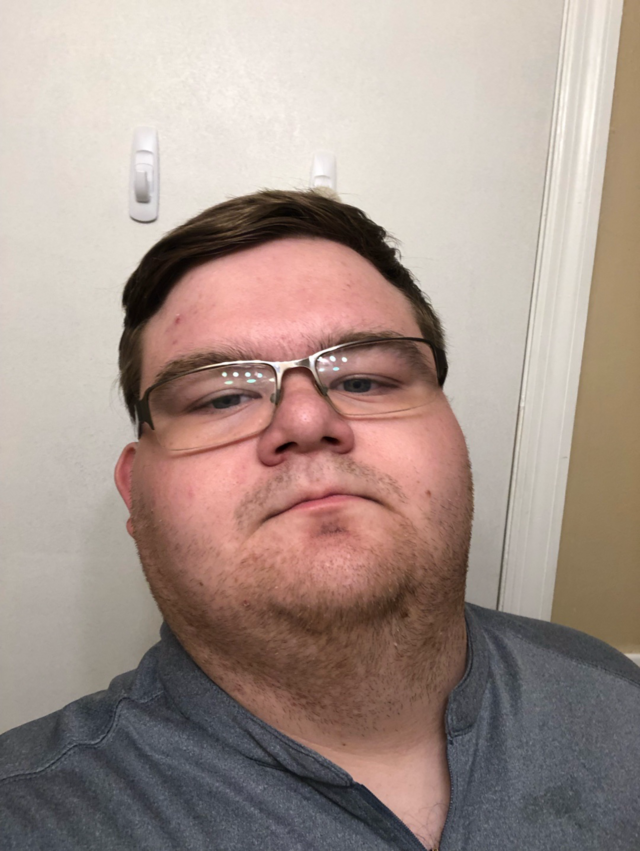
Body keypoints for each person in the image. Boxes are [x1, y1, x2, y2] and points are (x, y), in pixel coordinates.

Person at [1, 190, 638, 851]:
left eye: (364, 380)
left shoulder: (616, 701)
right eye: (223, 397)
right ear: (134, 490)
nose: (306, 421)